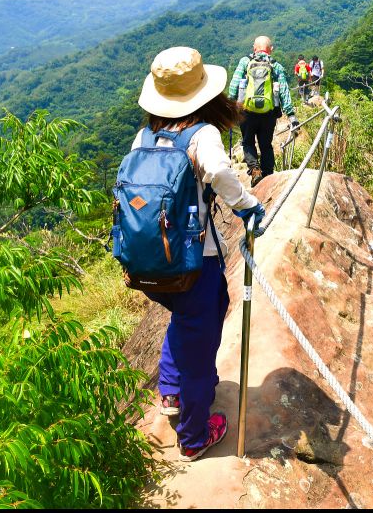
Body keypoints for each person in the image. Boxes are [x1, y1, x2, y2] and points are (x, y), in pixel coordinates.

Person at [133, 46, 265, 462]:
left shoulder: (147, 134)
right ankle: (193, 436)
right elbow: (222, 174)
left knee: (185, 319)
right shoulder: (201, 134)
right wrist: (247, 205)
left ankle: (169, 391)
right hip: (194, 260)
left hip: (150, 261)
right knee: (202, 342)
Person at [228, 36, 299, 183]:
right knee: (266, 145)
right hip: (269, 113)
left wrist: (230, 106)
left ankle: (255, 170)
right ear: (271, 49)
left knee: (247, 142)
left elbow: (234, 85)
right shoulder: (276, 66)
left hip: (247, 112)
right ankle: (268, 176)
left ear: (254, 48)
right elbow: (284, 90)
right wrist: (291, 115)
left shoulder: (245, 62)